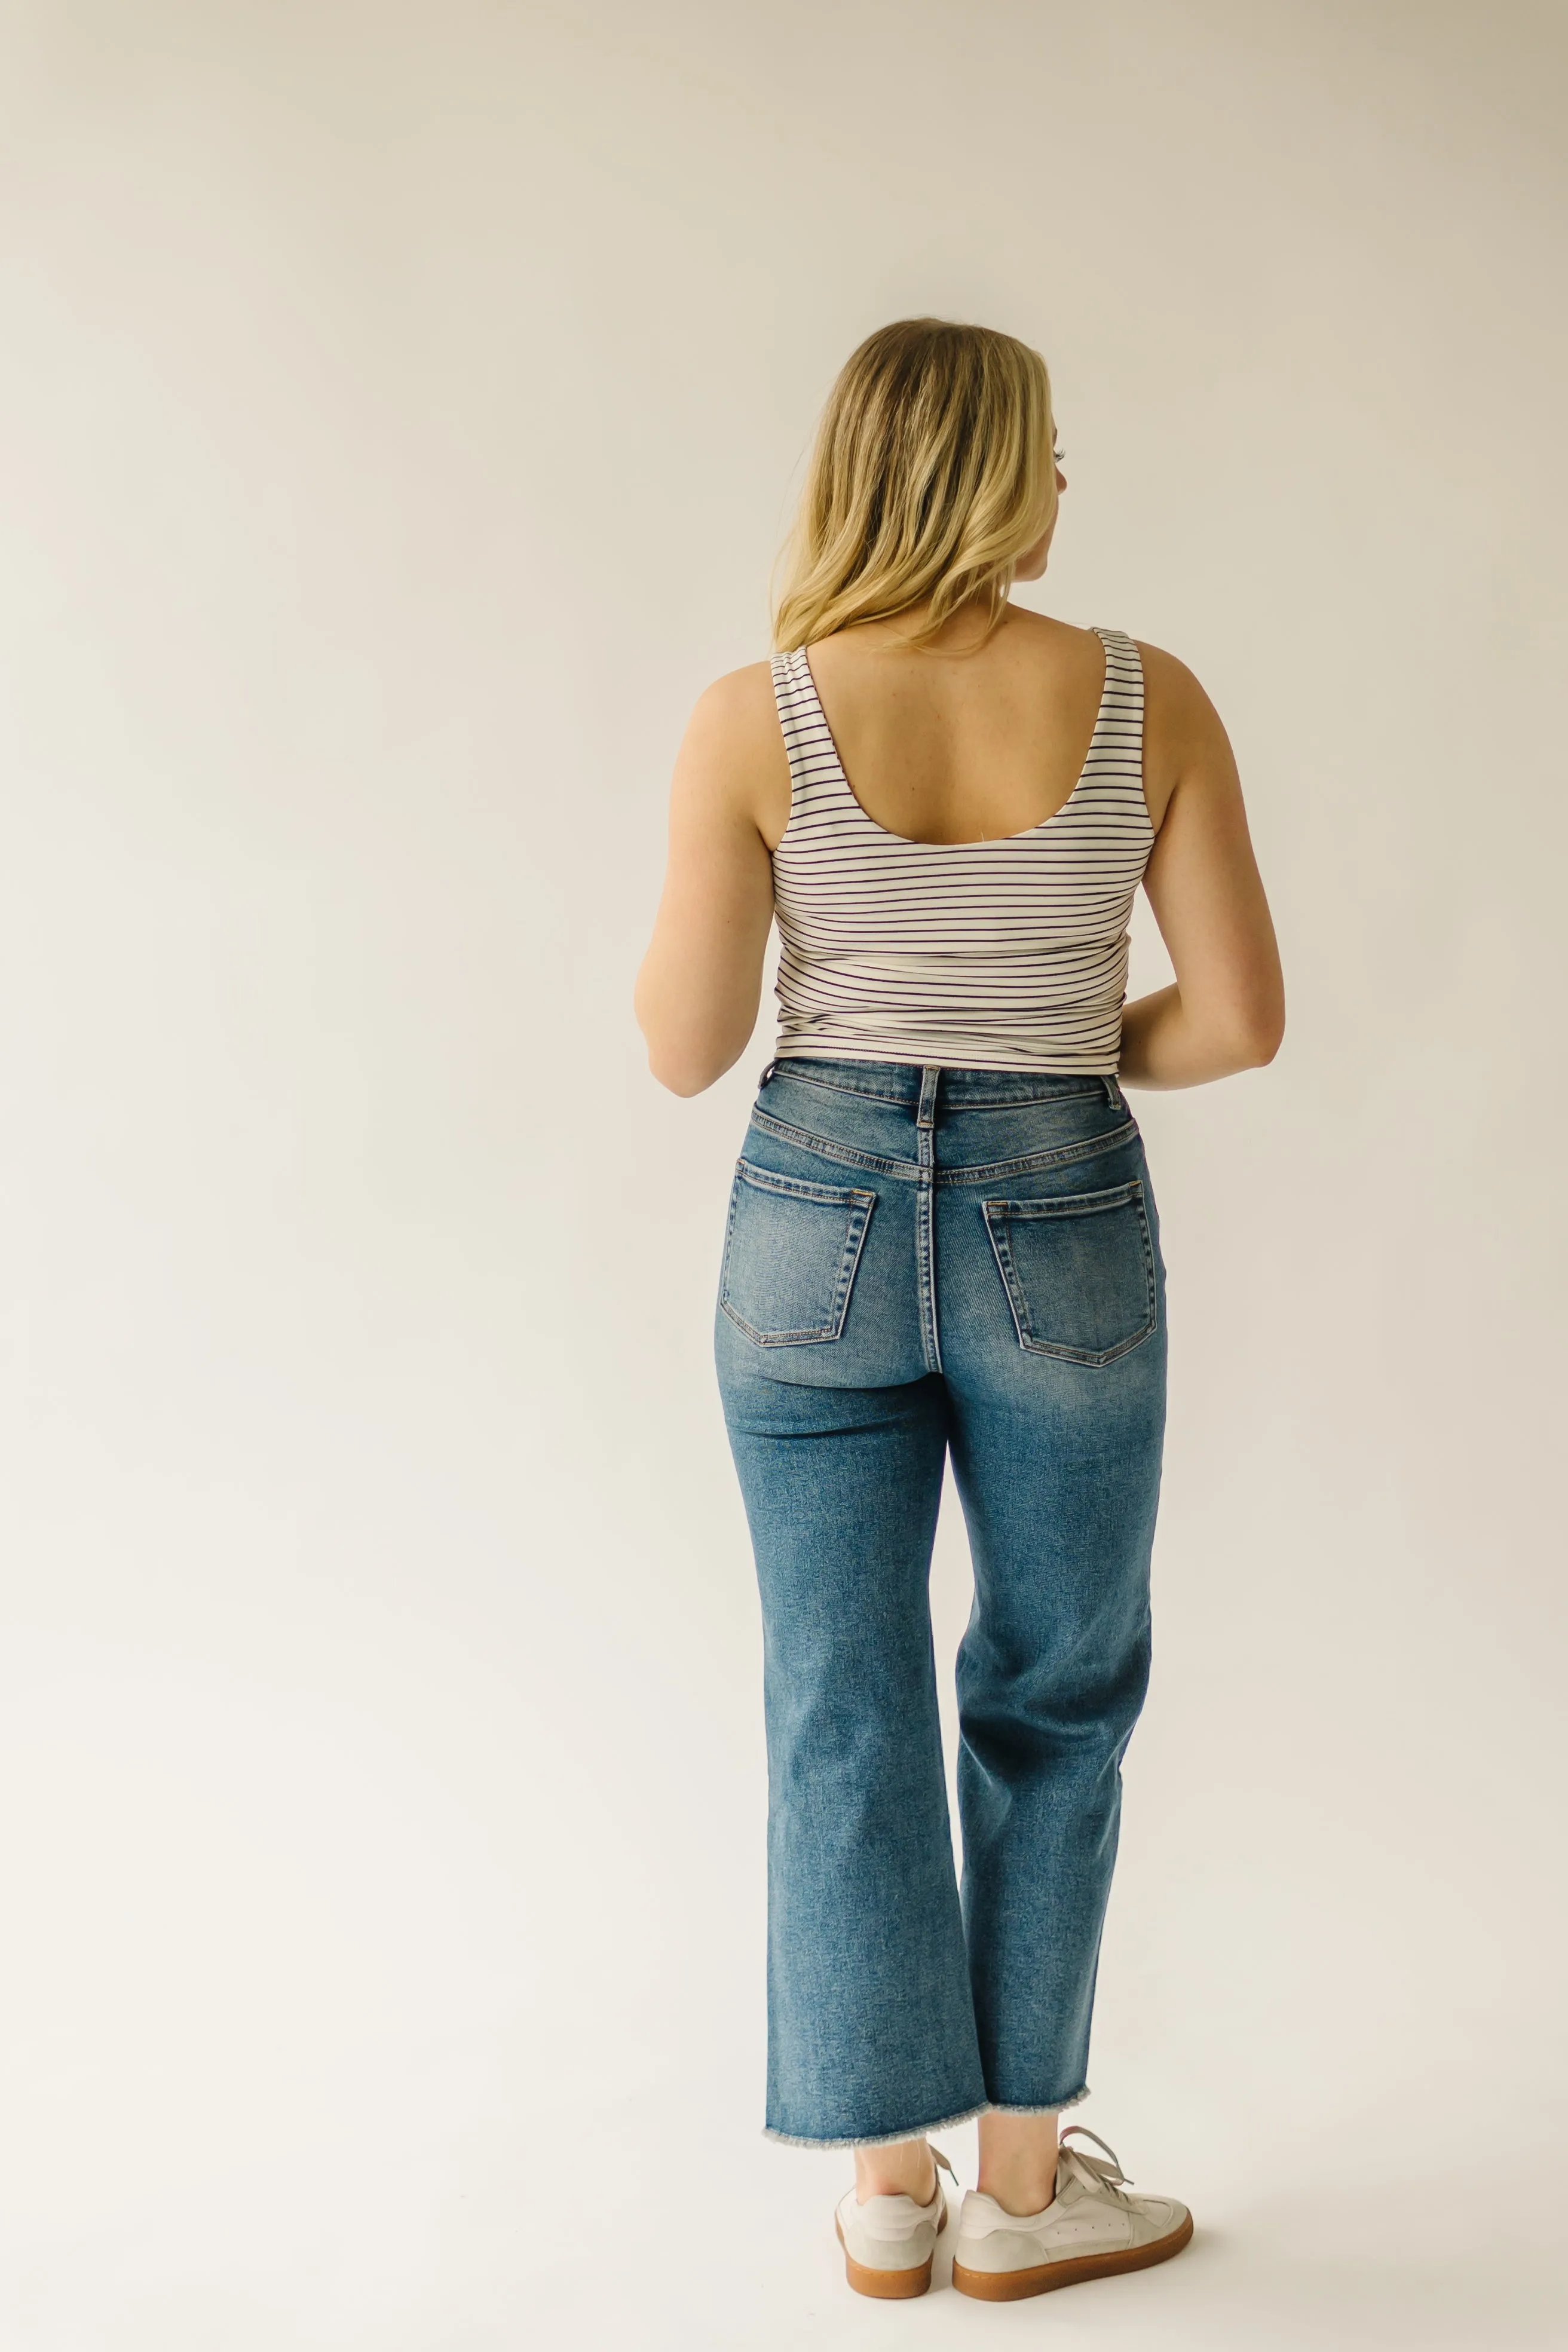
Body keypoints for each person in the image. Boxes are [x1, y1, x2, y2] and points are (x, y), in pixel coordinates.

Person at [634, 318, 1284, 2303]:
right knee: (1056, 1685)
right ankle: (1024, 2190)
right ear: (993, 473)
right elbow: (1242, 1020)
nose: (1069, 484)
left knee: (841, 1705)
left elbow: (685, 1048)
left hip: (811, 1217)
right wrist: (1056, 1049)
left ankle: (888, 2195)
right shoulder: (1142, 697)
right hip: (1059, 1206)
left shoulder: (759, 717)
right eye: (1051, 452)